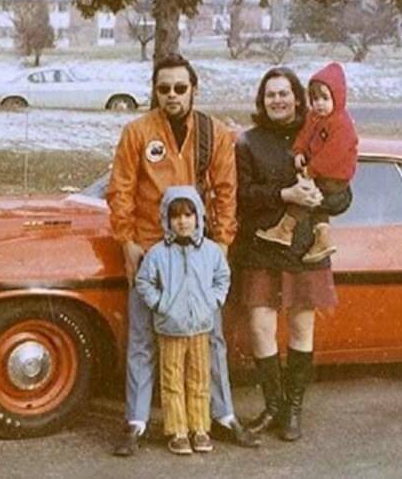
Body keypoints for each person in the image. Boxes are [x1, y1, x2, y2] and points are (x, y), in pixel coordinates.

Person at [107, 53, 260, 456]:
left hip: (198, 251)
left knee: (211, 338)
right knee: (142, 338)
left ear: (193, 89)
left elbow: (226, 192)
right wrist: (127, 242)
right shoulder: (137, 132)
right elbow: (120, 190)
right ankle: (136, 422)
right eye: (164, 89)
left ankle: (222, 415)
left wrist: (221, 245)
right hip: (151, 250)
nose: (172, 95)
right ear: (155, 92)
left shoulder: (214, 133)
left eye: (180, 87)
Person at [234, 67, 351, 442]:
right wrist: (284, 195)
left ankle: (293, 410)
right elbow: (242, 195)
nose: (278, 100)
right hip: (261, 246)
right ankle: (273, 407)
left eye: (284, 93)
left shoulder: (319, 131)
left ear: (298, 98)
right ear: (262, 100)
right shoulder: (248, 142)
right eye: (270, 94)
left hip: (305, 250)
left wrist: (320, 198)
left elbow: (343, 195)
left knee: (302, 328)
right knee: (261, 329)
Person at [134, 186, 230, 455]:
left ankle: (200, 428)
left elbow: (223, 277)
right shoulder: (157, 253)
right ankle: (177, 431)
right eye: (175, 216)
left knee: (199, 379)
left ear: (198, 217)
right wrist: (161, 304)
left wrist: (212, 302)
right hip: (170, 328)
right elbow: (143, 281)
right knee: (172, 380)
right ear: (166, 219)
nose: (183, 221)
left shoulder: (211, 251)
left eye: (189, 215)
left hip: (201, 326)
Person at [256, 62, 358, 263]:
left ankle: (285, 229)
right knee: (316, 201)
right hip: (323, 175)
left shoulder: (341, 124)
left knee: (306, 193)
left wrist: (311, 170)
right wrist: (298, 152)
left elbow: (332, 154)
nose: (319, 104)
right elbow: (304, 136)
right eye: (315, 99)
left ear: (338, 97)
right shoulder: (314, 117)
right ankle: (323, 239)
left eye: (325, 98)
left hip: (335, 178)